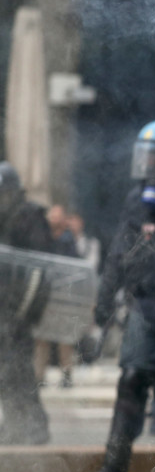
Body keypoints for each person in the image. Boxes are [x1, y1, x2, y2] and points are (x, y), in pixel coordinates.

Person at [78, 119, 155, 472]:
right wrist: (105, 297)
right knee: (130, 382)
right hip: (145, 304)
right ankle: (113, 471)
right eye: (147, 155)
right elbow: (117, 252)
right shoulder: (136, 198)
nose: (151, 164)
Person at [0, 161, 55, 445]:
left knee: (18, 370)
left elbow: (41, 269)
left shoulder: (30, 217)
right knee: (5, 372)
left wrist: (27, 311)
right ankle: (14, 424)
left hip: (21, 309)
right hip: (3, 308)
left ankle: (35, 427)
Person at [34, 204, 79, 388]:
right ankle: (38, 377)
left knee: (65, 339)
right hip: (45, 295)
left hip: (64, 296)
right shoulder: (42, 237)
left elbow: (74, 265)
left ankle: (67, 374)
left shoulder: (68, 240)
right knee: (42, 339)